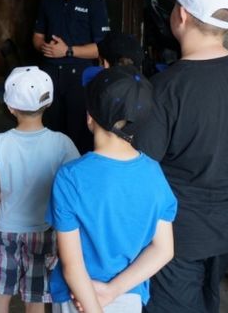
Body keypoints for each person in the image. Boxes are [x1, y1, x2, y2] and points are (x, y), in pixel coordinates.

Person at [136, 0, 228, 313]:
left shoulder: (165, 89)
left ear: (182, 14)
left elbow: (142, 167)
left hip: (176, 235)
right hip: (225, 229)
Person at [48, 65, 177, 313]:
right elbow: (163, 249)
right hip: (127, 294)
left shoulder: (70, 177)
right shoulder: (154, 173)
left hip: (79, 298)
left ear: (89, 117)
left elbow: (73, 265)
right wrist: (113, 290)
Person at [0, 66, 80, 313]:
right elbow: (73, 188)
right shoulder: (62, 143)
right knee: (35, 297)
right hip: (43, 231)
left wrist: (6, 198)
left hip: (7, 230)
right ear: (48, 104)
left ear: (11, 108)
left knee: (1, 292)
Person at [33, 0, 110, 154]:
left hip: (79, 78)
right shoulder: (48, 0)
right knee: (49, 131)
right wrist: (45, 48)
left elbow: (101, 49)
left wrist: (66, 51)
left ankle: (74, 180)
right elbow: (37, 36)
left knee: (78, 134)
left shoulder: (95, 3)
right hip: (49, 74)